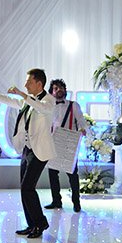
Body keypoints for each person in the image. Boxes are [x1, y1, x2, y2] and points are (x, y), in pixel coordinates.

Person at [0, 68, 56, 239]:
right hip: (27, 149)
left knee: (28, 187)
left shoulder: (49, 100)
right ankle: (32, 224)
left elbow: (42, 108)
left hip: (40, 151)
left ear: (39, 83)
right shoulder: (28, 101)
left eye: (29, 82)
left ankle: (40, 223)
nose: (26, 85)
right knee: (24, 188)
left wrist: (22, 94)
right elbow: (9, 101)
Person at [43, 79, 88, 213]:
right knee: (52, 174)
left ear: (65, 90)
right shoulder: (48, 107)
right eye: (56, 88)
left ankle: (76, 203)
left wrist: (82, 129)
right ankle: (56, 201)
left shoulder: (74, 105)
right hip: (54, 143)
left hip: (69, 144)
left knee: (72, 174)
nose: (59, 90)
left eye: (61, 87)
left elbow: (81, 120)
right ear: (51, 92)